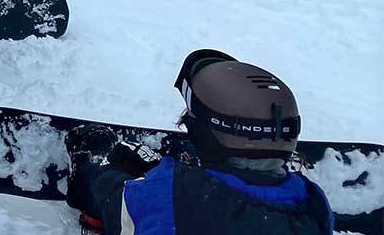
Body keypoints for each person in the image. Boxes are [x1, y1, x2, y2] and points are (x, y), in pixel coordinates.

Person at [66, 48, 333, 234]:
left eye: (190, 124)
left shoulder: (167, 197)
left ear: (207, 135)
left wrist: (94, 161)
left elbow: (99, 197)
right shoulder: (315, 206)